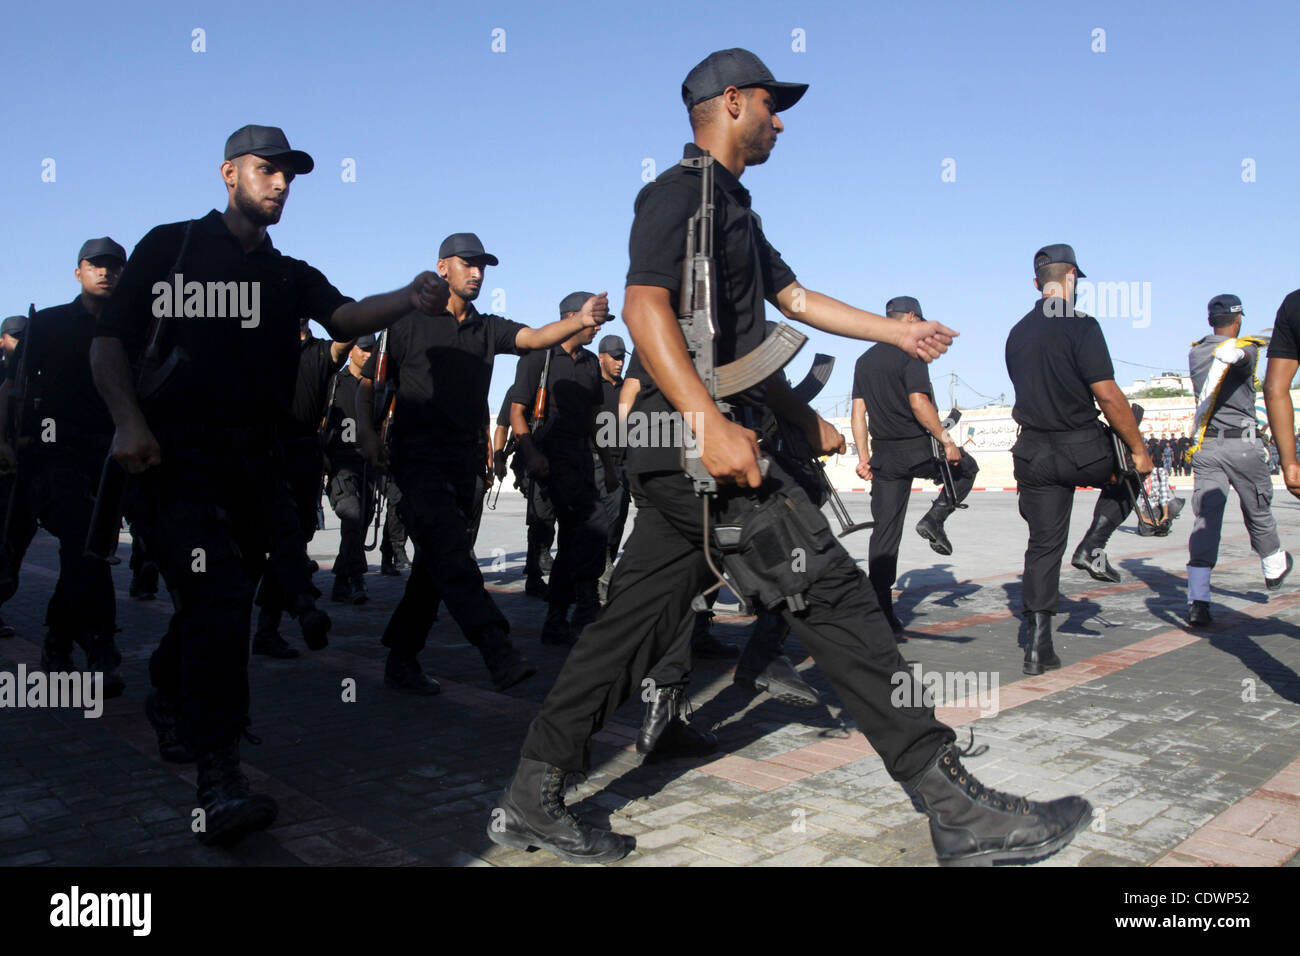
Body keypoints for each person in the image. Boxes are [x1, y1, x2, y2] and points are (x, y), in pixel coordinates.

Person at [488, 49, 1091, 867]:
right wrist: (706, 422)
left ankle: (531, 796)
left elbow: (792, 302)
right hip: (697, 450)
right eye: (773, 104)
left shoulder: (737, 210)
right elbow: (643, 305)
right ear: (731, 101)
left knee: (625, 633)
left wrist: (895, 332)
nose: (782, 120)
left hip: (694, 451)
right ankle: (951, 804)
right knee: (838, 599)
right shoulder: (676, 195)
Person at [91, 124, 452, 845]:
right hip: (174, 462)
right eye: (267, 170)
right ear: (229, 173)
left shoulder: (287, 275)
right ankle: (219, 777)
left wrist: (409, 298)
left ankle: (169, 690)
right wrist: (128, 421)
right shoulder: (173, 247)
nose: (281, 184)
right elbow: (110, 343)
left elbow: (345, 316)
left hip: (254, 468)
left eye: (289, 175)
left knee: (218, 605)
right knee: (219, 599)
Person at [356, 234, 612, 694]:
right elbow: (367, 385)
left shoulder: (486, 328)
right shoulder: (408, 323)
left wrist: (579, 319)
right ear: (442, 268)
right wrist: (369, 434)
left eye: (483, 267)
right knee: (452, 554)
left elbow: (534, 338)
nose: (477, 273)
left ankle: (401, 657)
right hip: (416, 460)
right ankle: (496, 647)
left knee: (436, 563)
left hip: (464, 464)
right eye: (467, 264)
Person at [1005, 243, 1151, 674]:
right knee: (1130, 471)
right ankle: (1093, 545)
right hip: (1082, 449)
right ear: (1071, 280)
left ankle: (1037, 647)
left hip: (1032, 454)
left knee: (1043, 546)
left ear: (1037, 283)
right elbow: (1106, 394)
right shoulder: (1083, 326)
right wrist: (1139, 449)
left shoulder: (1016, 332)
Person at [0, 238, 127, 694]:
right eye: (96, 265)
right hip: (51, 456)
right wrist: (5, 442)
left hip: (109, 457)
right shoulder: (49, 323)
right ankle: (100, 650)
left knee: (85, 556)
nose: (106, 273)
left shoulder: (133, 327)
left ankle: (57, 640)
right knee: (85, 545)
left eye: (114, 266)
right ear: (78, 272)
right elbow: (11, 386)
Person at [852, 295, 979, 637]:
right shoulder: (911, 352)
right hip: (917, 451)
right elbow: (919, 401)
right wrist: (947, 440)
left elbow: (858, 413)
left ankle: (881, 614)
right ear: (910, 317)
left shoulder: (864, 360)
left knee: (884, 533)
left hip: (885, 458)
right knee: (968, 469)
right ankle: (935, 519)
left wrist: (864, 458)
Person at [511, 293, 618, 646]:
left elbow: (592, 419)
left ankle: (559, 616)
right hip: (549, 458)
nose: (598, 327)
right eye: (594, 319)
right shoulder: (537, 357)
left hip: (581, 458)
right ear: (572, 317)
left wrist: (607, 461)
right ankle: (583, 606)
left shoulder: (589, 363)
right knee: (589, 525)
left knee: (578, 535)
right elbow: (516, 412)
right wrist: (530, 453)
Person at [1185, 295, 1292, 626]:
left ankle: (1198, 600)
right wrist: (1240, 351)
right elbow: (1243, 359)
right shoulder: (1246, 349)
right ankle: (1273, 566)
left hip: (1206, 449)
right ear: (1239, 319)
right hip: (1243, 447)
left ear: (1209, 321)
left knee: (1206, 520)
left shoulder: (1196, 350)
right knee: (1258, 510)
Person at [251, 317, 350, 657]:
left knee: (294, 538)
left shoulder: (322, 352)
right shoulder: (261, 347)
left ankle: (272, 626)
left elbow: (346, 337)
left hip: (305, 452)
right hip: (264, 450)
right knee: (279, 538)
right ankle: (296, 610)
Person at [326, 336, 378, 605]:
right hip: (341, 464)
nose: (368, 354)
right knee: (352, 515)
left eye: (372, 350)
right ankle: (357, 578)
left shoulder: (376, 387)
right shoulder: (334, 382)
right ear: (351, 350)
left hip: (367, 466)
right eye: (364, 349)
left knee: (359, 524)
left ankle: (340, 580)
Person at [494, 384, 553, 598]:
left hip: (560, 459)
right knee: (540, 518)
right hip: (530, 462)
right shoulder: (518, 391)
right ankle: (535, 571)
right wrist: (498, 459)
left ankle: (543, 558)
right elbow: (502, 426)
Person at [595, 333, 631, 602]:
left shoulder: (628, 389)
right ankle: (596, 569)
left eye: (622, 357)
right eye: (615, 357)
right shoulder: (592, 386)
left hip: (624, 465)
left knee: (617, 520)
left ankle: (606, 565)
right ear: (602, 357)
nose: (619, 363)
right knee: (598, 523)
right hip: (595, 464)